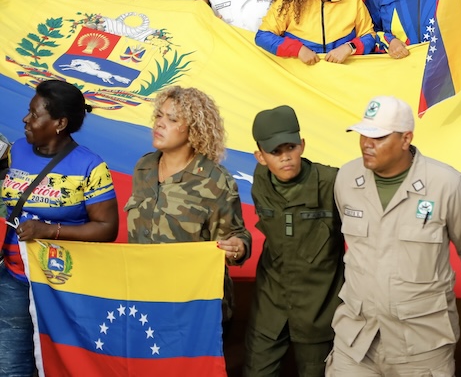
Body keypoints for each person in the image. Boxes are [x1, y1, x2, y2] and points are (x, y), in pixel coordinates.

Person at [332, 95, 461, 376]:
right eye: (362, 135)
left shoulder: (446, 184)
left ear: (406, 139)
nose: (366, 144)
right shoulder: (346, 179)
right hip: (357, 336)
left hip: (421, 340)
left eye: (378, 137)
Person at [0, 81, 118, 377]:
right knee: (10, 365)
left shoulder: (90, 166)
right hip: (14, 277)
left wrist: (48, 230)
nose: (25, 120)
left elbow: (107, 229)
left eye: (34, 114)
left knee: (59, 365)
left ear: (60, 123)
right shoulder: (15, 151)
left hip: (62, 285)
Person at [125, 86, 252, 318]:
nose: (160, 124)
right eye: (159, 115)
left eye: (172, 119)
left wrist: (238, 248)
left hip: (193, 307)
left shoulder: (215, 180)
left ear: (194, 130)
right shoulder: (143, 167)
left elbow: (236, 237)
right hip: (144, 299)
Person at [245, 105, 344, 377]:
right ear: (260, 157)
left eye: (290, 148)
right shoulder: (260, 180)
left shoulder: (333, 182)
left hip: (319, 309)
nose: (285, 157)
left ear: (302, 145)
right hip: (271, 306)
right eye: (275, 152)